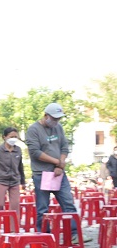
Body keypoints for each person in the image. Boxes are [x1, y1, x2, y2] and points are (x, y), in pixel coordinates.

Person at [26, 102, 79, 239]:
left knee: (68, 203)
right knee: (43, 208)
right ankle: (44, 235)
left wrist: (60, 164)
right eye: (54, 118)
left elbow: (64, 147)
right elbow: (35, 152)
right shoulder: (33, 130)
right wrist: (57, 162)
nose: (56, 121)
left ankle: (73, 234)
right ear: (46, 116)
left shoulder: (59, 128)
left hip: (58, 173)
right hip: (41, 174)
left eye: (58, 119)